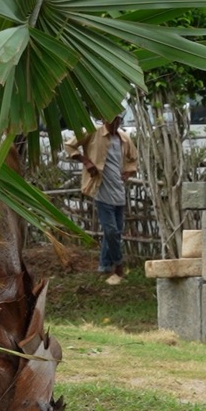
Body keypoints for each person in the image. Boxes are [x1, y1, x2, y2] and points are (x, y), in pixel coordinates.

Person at [64, 113, 138, 285]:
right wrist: (86, 161)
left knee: (115, 231)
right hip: (101, 189)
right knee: (111, 230)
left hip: (118, 190)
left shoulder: (124, 138)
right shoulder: (92, 132)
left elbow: (133, 159)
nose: (116, 123)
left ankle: (104, 265)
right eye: (112, 120)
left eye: (118, 120)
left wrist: (128, 173)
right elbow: (69, 146)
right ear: (104, 119)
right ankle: (118, 264)